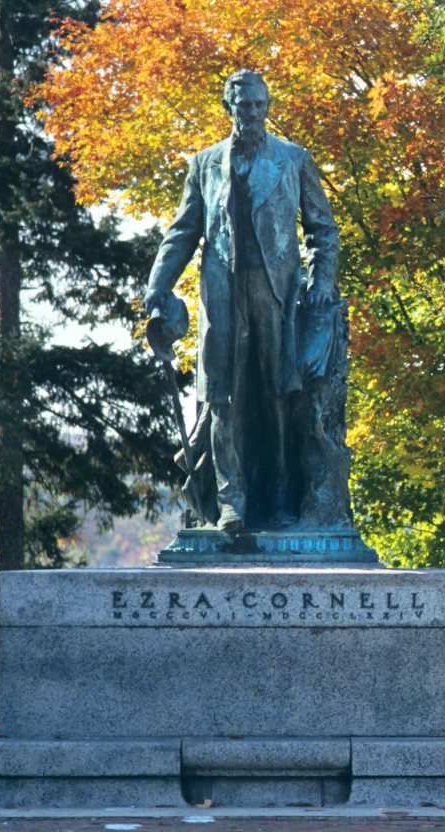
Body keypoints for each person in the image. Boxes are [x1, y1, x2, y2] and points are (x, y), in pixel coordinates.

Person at [143, 69, 341, 532]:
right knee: (222, 396)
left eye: (258, 104)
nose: (251, 112)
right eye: (242, 104)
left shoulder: (293, 159)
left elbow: (322, 229)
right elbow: (182, 232)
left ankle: (278, 492)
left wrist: (322, 281)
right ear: (228, 107)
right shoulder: (205, 163)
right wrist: (158, 285)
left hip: (276, 293)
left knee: (277, 392)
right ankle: (231, 500)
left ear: (267, 107)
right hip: (222, 291)